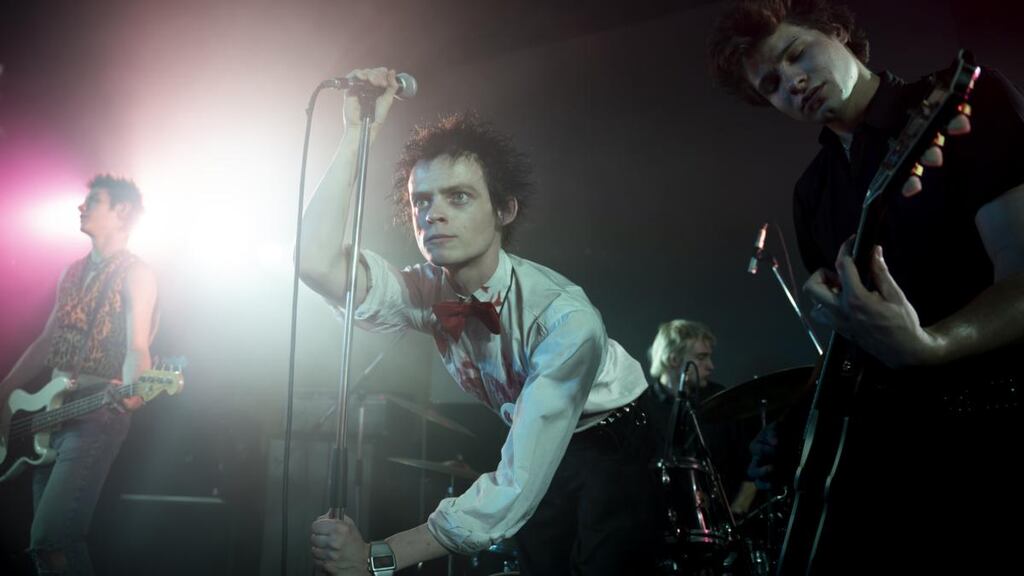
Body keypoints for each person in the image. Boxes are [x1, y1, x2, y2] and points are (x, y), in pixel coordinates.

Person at [302, 68, 657, 575]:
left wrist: (378, 558)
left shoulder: (565, 320)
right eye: (421, 200)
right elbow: (316, 263)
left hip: (616, 437)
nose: (434, 214)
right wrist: (358, 134)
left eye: (459, 196)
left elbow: (513, 487)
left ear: (504, 209)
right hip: (535, 434)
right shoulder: (426, 289)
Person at [709, 0, 1024, 571]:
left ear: (837, 32)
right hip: (892, 473)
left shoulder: (966, 101)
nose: (794, 83)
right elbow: (853, 348)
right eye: (773, 85)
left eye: (797, 53)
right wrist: (796, 432)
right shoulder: (813, 193)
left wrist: (931, 348)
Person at [0, 174, 159, 575]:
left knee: (51, 539)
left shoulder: (137, 273)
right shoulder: (70, 272)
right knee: (46, 552)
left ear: (121, 211)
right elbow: (45, 342)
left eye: (93, 200)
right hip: (51, 418)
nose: (81, 207)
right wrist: (4, 391)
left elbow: (137, 344)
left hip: (96, 414)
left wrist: (135, 388)